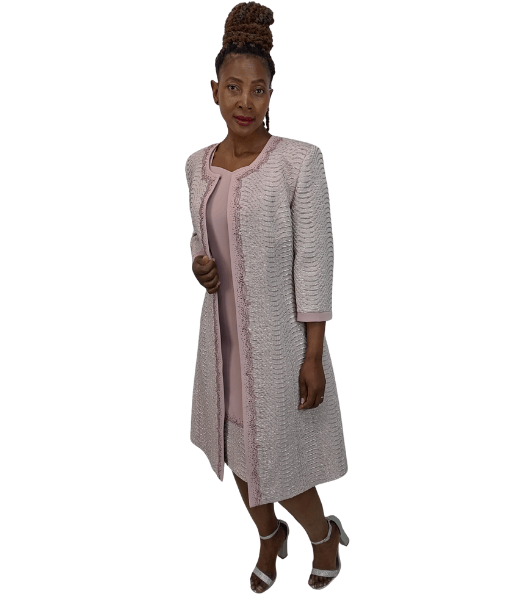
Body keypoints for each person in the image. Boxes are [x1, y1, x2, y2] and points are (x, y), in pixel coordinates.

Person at [185, 2, 349, 592]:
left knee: (280, 459)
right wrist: (199, 264)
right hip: (221, 342)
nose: (245, 101)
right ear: (214, 91)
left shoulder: (298, 162)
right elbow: (201, 237)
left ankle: (322, 536)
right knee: (234, 450)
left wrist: (313, 353)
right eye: (233, 87)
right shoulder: (196, 166)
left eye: (258, 90)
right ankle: (268, 535)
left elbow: (315, 259)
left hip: (280, 345)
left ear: (272, 94)